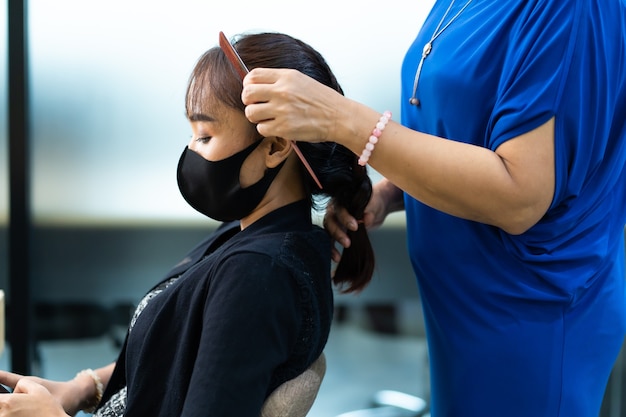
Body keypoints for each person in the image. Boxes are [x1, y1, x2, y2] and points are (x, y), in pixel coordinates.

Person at [240, 1, 626, 416]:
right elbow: (471, 133)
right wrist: (390, 192)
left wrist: (343, 121)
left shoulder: (568, 10)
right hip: (458, 311)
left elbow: (521, 195)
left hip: (528, 317)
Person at [0, 32, 375, 416]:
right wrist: (82, 388)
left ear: (275, 147)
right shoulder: (251, 236)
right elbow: (181, 353)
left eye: (205, 135)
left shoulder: (258, 274)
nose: (191, 151)